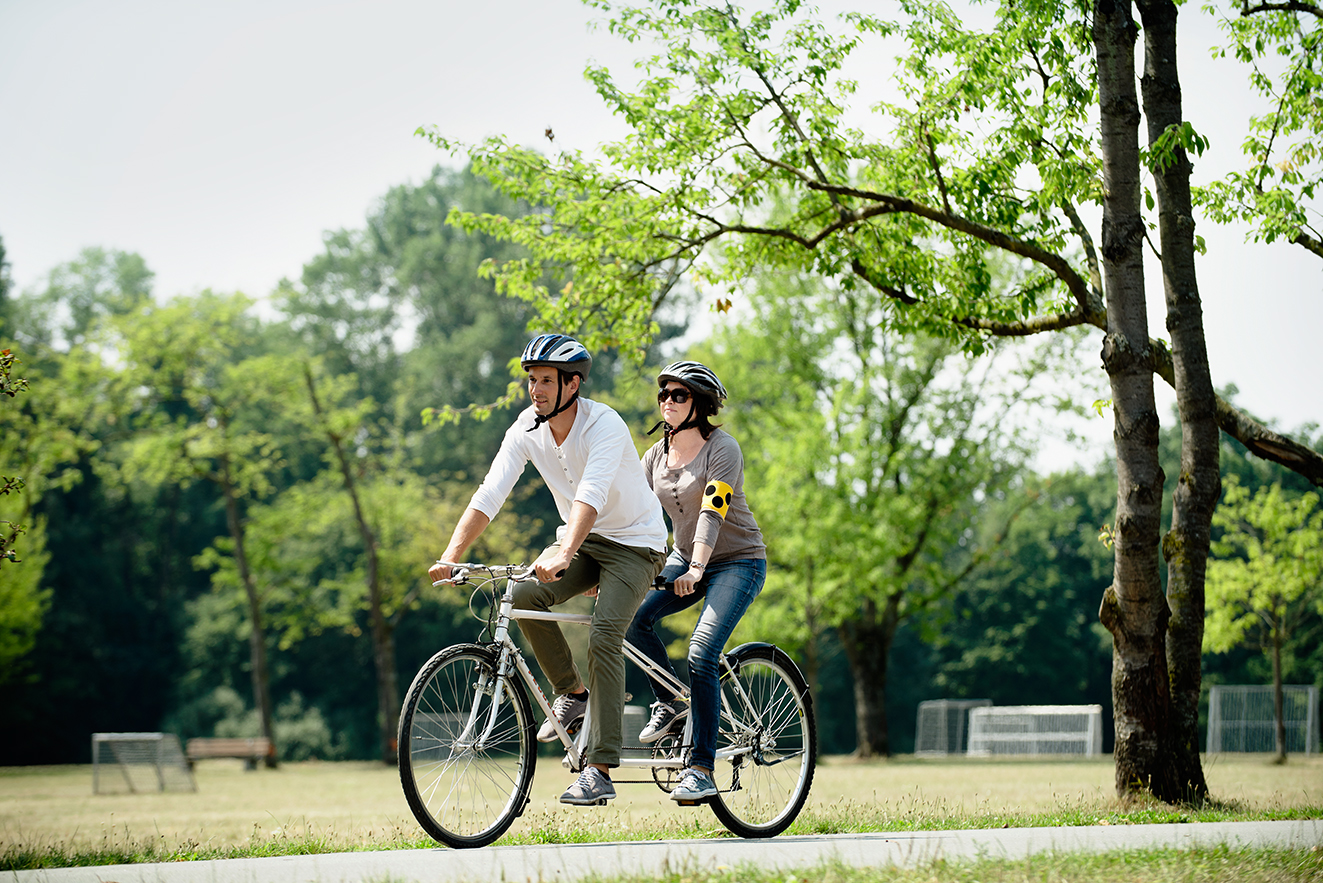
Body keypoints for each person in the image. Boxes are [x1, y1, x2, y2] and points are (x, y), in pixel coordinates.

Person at [429, 334, 667, 806]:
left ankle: (599, 769)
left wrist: (562, 552)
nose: (535, 390)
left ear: (573, 384)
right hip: (584, 540)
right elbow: (490, 494)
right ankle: (572, 692)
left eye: (545, 381)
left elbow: (591, 496)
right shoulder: (525, 428)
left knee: (604, 637)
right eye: (531, 380)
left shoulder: (604, 424)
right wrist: (451, 554)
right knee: (519, 596)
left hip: (636, 544)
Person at [625, 360, 767, 803]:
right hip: (684, 559)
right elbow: (634, 518)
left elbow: (713, 510)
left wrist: (697, 569)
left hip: (736, 561)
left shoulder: (723, 448)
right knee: (632, 622)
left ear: (700, 404)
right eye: (663, 394)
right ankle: (669, 703)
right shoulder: (655, 457)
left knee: (702, 651)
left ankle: (702, 767)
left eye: (678, 395)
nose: (667, 401)